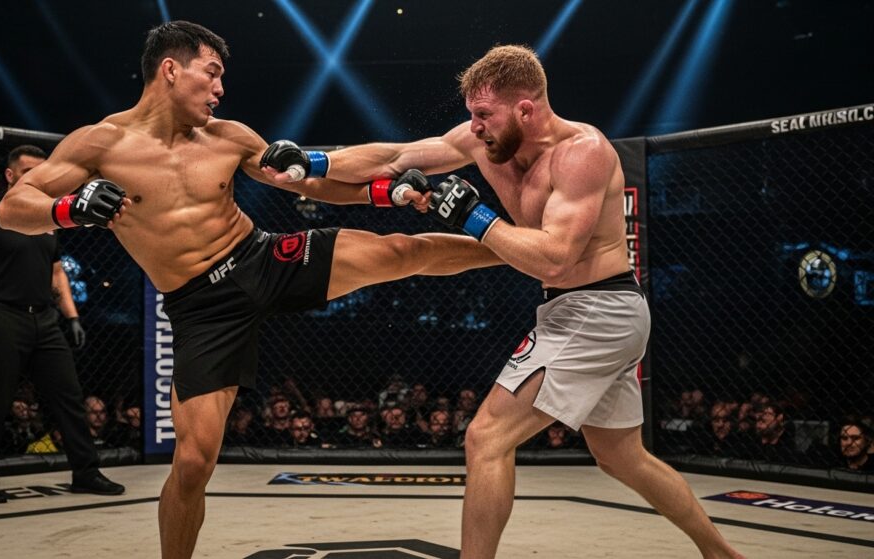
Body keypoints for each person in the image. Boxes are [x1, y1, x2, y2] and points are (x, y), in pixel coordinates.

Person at [0, 21, 501, 557]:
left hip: (261, 258)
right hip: (201, 306)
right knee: (192, 464)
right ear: (170, 69)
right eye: (211, 73)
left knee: (403, 252)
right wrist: (67, 208)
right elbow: (12, 209)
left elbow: (310, 181)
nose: (220, 89)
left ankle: (522, 251)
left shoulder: (229, 136)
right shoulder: (99, 143)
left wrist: (384, 191)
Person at [289, 44, 743, 558]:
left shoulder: (583, 153)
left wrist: (474, 219)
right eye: (472, 116)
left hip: (597, 308)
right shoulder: (485, 140)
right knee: (622, 457)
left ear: (525, 109)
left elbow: (555, 257)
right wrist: (314, 160)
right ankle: (722, 555)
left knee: (487, 438)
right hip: (581, 310)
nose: (475, 128)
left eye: (484, 115)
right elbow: (397, 156)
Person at [0, 144, 124, 503]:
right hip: (2, 317)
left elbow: (57, 272)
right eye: (28, 172)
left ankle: (86, 473)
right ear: (10, 176)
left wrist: (72, 316)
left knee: (70, 396)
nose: (37, 178)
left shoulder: (46, 221)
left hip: (44, 318)